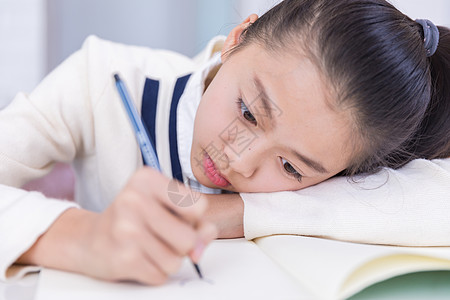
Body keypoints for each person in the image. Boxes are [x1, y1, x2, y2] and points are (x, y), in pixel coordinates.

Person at [1, 0, 449, 285]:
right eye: (250, 113)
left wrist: (230, 213)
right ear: (236, 40)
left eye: (292, 168)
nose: (240, 161)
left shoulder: (340, 152)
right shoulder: (103, 80)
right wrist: (86, 238)